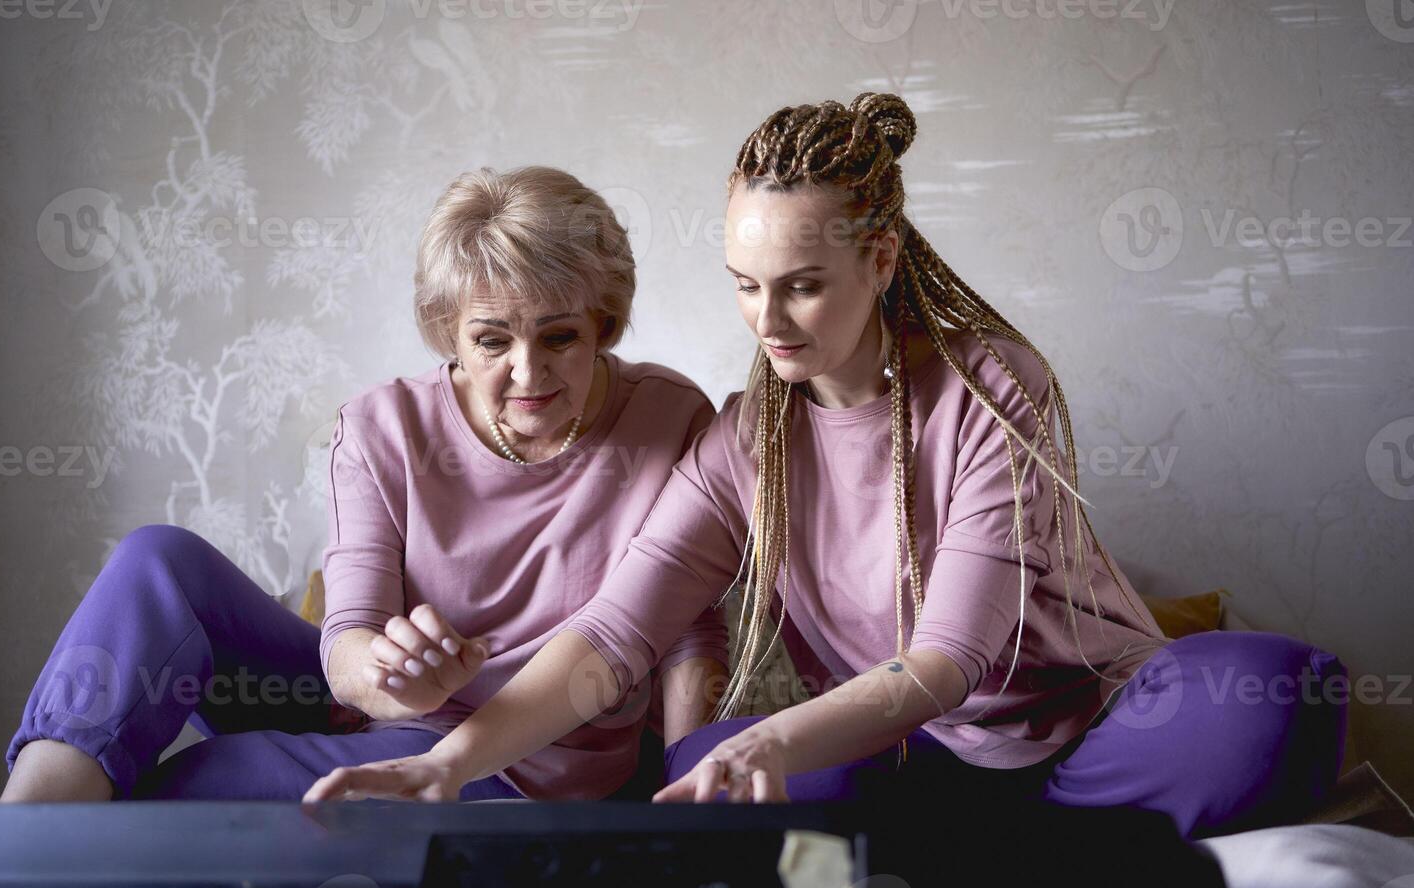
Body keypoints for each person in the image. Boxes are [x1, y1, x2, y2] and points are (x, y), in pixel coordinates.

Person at [301, 97, 1347, 841]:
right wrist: (445, 763)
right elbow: (611, 638)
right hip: (919, 762)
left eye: (802, 284)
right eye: (746, 285)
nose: (768, 319)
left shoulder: (993, 387)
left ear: (880, 257)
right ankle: (999, 857)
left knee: (1276, 693)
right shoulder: (736, 442)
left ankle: (1026, 844)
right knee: (730, 794)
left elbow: (948, 663)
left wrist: (774, 744)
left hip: (1092, 738)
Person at [1, 165, 729, 803]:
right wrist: (393, 680)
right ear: (449, 330)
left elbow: (686, 628)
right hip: (374, 708)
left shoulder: (669, 417)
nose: (528, 372)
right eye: (491, 340)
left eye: (560, 336)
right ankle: (18, 835)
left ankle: (47, 859)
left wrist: (679, 784)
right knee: (156, 561)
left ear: (603, 322)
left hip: (516, 766)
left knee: (198, 784)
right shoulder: (383, 426)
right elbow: (348, 636)